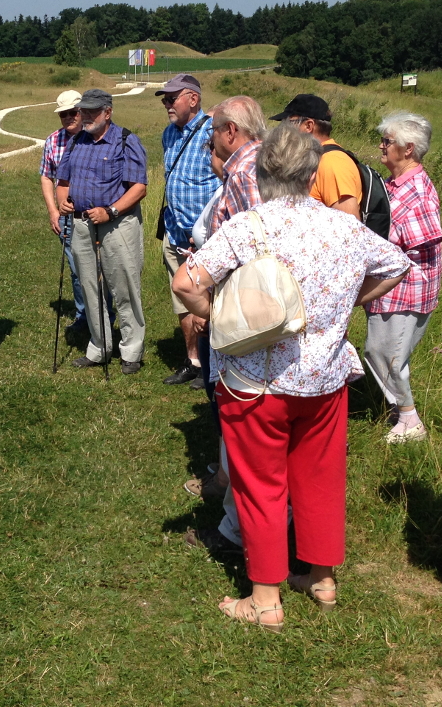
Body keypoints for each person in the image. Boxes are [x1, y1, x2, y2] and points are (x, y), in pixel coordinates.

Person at [174, 122, 410, 631]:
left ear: (262, 172)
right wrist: (348, 303)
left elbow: (185, 281)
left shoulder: (248, 225)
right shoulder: (344, 226)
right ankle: (321, 579)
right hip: (325, 378)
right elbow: (397, 264)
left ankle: (264, 601)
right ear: (312, 171)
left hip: (257, 383)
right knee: (320, 480)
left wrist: (220, 315)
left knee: (261, 486)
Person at [181, 95, 267, 551]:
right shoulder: (261, 165)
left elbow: (254, 239)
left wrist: (210, 297)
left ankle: (238, 527)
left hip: (246, 311)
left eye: (214, 131)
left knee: (241, 413)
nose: (212, 138)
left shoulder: (243, 172)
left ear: (231, 131)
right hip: (253, 307)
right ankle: (238, 506)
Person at [362, 112, 442, 444]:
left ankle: (410, 421)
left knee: (388, 356)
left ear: (408, 149)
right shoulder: (396, 183)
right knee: (379, 352)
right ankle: (401, 414)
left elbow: (425, 240)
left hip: (406, 289)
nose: (381, 146)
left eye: (387, 141)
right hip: (391, 287)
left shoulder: (417, 191)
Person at [56, 89, 149, 374]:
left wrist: (111, 211)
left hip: (117, 224)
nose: (85, 117)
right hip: (82, 224)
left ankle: (131, 351)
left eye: (92, 112)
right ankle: (100, 346)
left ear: (108, 112)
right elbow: (63, 179)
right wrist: (62, 201)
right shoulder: (76, 142)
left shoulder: (125, 141)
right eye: (83, 111)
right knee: (89, 286)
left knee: (123, 286)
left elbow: (139, 187)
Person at [156, 74, 218, 385]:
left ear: (192, 99)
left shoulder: (213, 131)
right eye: (164, 99)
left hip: (206, 239)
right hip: (175, 233)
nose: (166, 104)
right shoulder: (169, 134)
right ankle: (192, 361)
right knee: (182, 301)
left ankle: (213, 365)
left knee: (208, 304)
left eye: (172, 98)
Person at [40, 90, 89, 338]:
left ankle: (103, 316)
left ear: (82, 112)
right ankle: (83, 316)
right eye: (63, 114)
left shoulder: (94, 136)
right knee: (76, 268)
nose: (68, 118)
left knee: (100, 270)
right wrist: (52, 210)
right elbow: (47, 176)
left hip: (93, 215)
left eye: (73, 112)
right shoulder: (53, 140)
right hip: (66, 218)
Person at [271, 94, 361, 219]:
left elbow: (351, 227)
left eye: (287, 123)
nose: (282, 130)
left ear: (309, 126)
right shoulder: (316, 158)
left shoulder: (332, 163)